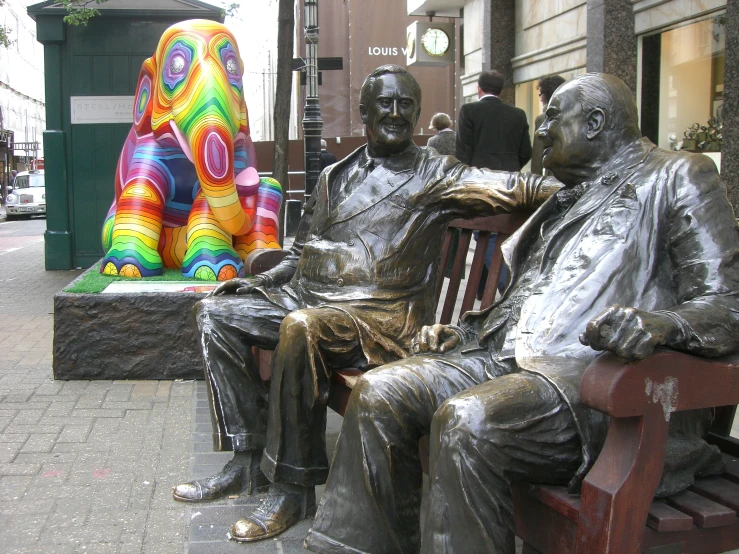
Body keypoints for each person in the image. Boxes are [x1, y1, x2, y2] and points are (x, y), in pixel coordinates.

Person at [304, 73, 739, 554]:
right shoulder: (569, 193)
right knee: (379, 390)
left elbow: (727, 303)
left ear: (595, 122)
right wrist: (464, 332)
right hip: (503, 359)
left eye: (553, 116)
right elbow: (535, 295)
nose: (541, 130)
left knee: (466, 422)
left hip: (593, 385)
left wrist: (659, 324)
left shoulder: (678, 175)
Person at [172, 64, 559, 542]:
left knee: (301, 328)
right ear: (364, 114)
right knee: (216, 314)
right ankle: (248, 458)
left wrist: (583, 188)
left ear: (418, 113)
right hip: (308, 295)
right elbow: (297, 252)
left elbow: (516, 187)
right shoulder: (335, 173)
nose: (396, 113)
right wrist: (260, 282)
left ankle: (293, 487)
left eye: (406, 105)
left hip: (377, 316)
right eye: (385, 104)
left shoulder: (437, 174)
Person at [456, 70, 532, 298]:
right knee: (504, 236)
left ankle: (506, 287)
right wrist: (510, 169)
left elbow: (462, 153)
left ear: (479, 88)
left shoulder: (469, 111)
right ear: (501, 90)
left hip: (481, 185)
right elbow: (525, 151)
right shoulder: (517, 114)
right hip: (510, 184)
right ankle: (487, 288)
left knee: (486, 236)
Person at [531, 74, 566, 175]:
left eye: (541, 94)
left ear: (546, 94)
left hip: (554, 177)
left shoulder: (542, 119)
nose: (540, 98)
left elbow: (538, 156)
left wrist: (535, 180)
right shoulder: (576, 115)